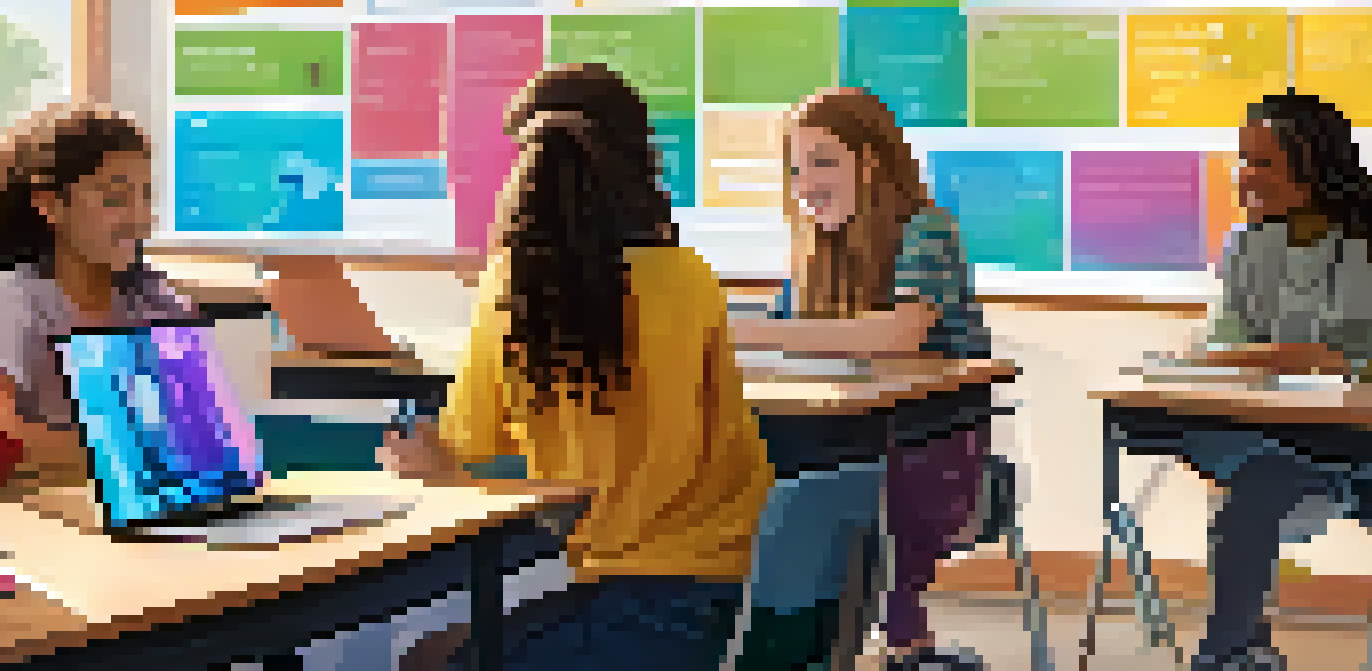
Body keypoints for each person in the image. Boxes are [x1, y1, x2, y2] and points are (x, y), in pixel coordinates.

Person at [380, 64, 774, 671]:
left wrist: (427, 462)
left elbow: (469, 447)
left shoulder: (517, 290)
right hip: (722, 599)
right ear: (639, 165)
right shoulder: (691, 280)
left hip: (631, 609)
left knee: (425, 658)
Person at [730, 86, 995, 671]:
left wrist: (752, 333)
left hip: (933, 449)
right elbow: (784, 338)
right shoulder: (813, 251)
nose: (807, 184)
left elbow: (901, 334)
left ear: (872, 162)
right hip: (836, 443)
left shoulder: (926, 231)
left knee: (809, 491)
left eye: (824, 161)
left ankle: (838, 638)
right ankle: (788, 636)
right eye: (798, 168)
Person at [1168, 92, 1372, 671]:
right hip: (1285, 439)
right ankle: (1233, 653)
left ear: (1314, 166)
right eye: (1243, 160)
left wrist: (1336, 365)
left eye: (1262, 162)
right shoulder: (1250, 240)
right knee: (1253, 488)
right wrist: (1245, 359)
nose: (1245, 176)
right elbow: (1229, 342)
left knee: (1259, 483)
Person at [0, 104, 197, 486]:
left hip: (148, 504)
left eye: (146, 197)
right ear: (50, 205)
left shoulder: (157, 299)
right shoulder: (15, 299)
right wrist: (137, 453)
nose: (139, 217)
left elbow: (193, 429)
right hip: (45, 512)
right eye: (115, 199)